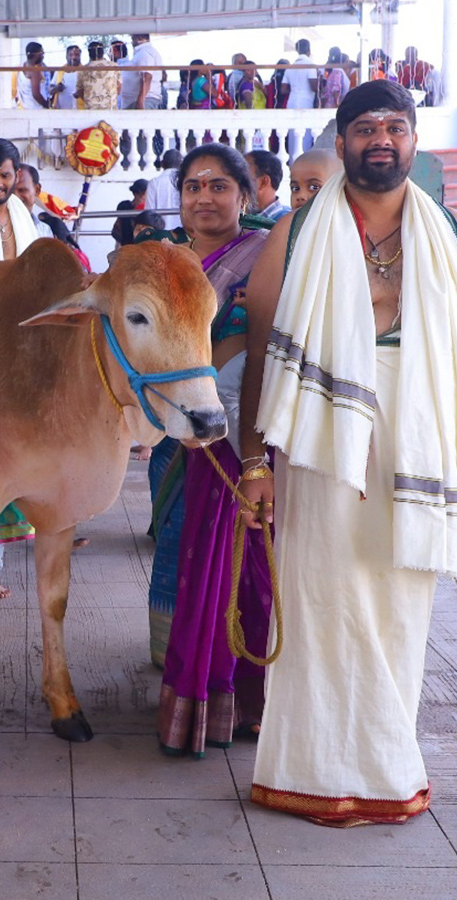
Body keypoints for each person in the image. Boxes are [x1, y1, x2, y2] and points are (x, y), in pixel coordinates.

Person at [238, 80, 457, 825]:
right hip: (318, 434)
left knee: (401, 603)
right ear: (341, 143)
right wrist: (252, 462)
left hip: (419, 430)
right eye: (365, 126)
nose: (382, 137)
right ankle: (308, 774)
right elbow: (260, 354)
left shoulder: (455, 233)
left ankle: (385, 769)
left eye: (396, 126)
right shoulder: (299, 233)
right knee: (320, 598)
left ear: (413, 140)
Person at [140, 146, 274, 753]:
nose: (203, 197)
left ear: (246, 196)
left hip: (244, 431)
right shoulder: (162, 260)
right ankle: (187, 680)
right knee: (187, 554)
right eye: (192, 186)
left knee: (244, 568)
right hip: (177, 433)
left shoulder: (268, 254)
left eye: (219, 186)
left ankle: (245, 696)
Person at [246, 150, 291, 220]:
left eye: (243, 178)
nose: (237, 185)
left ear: (263, 182)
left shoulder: (286, 222)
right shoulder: (243, 216)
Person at [122, 34, 163, 110]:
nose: (131, 41)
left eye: (133, 38)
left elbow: (147, 76)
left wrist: (140, 102)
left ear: (139, 38)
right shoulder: (143, 52)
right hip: (140, 100)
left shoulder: (145, 52)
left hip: (145, 100)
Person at [76, 41, 120, 111]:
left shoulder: (83, 70)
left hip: (91, 109)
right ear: (102, 52)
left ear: (89, 53)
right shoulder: (114, 66)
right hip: (110, 108)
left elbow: (79, 91)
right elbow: (119, 89)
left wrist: (90, 100)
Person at [146, 149, 183, 230]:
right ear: (181, 164)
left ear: (162, 164)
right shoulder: (186, 182)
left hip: (160, 233)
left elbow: (149, 212)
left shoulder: (154, 183)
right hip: (183, 233)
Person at [285, 39, 318, 109]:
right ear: (309, 50)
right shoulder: (310, 65)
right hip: (305, 103)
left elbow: (283, 89)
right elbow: (314, 87)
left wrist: (296, 90)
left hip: (291, 102)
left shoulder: (290, 67)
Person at [49, 45, 81, 111]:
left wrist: (81, 93)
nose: (74, 57)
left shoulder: (85, 72)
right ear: (66, 56)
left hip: (80, 112)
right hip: (60, 113)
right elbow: (50, 90)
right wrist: (56, 88)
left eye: (77, 55)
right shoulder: (59, 71)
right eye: (71, 55)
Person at [17, 42, 48, 109]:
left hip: (26, 108)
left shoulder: (23, 66)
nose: (43, 56)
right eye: (42, 54)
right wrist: (47, 105)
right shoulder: (34, 71)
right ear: (35, 55)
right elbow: (36, 95)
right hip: (36, 110)